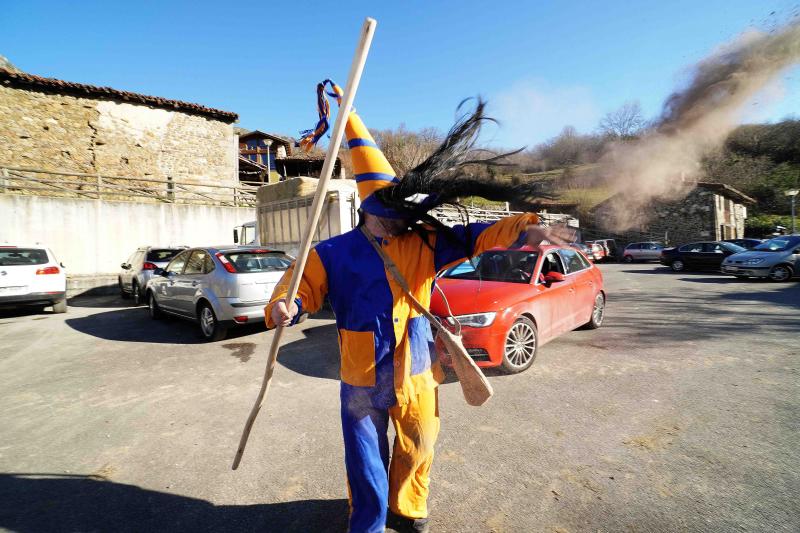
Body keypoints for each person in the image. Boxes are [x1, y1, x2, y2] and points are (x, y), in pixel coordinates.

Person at [266, 81, 573, 533]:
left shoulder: (427, 242)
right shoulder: (332, 251)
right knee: (365, 455)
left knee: (419, 443)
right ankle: (368, 521)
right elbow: (297, 289)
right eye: (390, 207)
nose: (402, 216)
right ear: (369, 207)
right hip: (360, 374)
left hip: (416, 367)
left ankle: (407, 508)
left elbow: (482, 235)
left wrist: (527, 230)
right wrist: (284, 307)